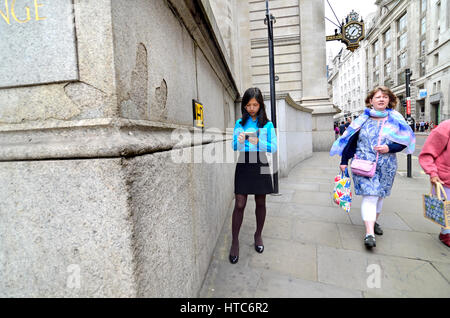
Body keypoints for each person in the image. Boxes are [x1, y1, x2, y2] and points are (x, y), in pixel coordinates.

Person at [330, 86, 415, 249]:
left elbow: (404, 141)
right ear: (370, 101)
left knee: (380, 196)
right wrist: (343, 161)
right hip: (363, 164)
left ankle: (373, 221)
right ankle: (369, 233)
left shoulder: (396, 119)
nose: (381, 99)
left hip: (386, 165)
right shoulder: (362, 120)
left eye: (385, 96)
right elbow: (351, 141)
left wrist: (390, 148)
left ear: (389, 100)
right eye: (378, 97)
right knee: (370, 196)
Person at [229, 87, 277, 264]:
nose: (251, 108)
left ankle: (258, 235)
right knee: (240, 203)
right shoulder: (239, 123)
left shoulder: (267, 124)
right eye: (248, 105)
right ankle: (235, 241)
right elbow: (235, 147)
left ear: (260, 105)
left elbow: (273, 147)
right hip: (244, 163)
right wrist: (239, 141)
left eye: (255, 105)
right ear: (244, 105)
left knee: (260, 202)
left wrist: (257, 141)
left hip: (261, 162)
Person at [418, 119, 450, 247]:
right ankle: (446, 233)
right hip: (446, 178)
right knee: (447, 208)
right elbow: (427, 153)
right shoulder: (446, 127)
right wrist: (432, 173)